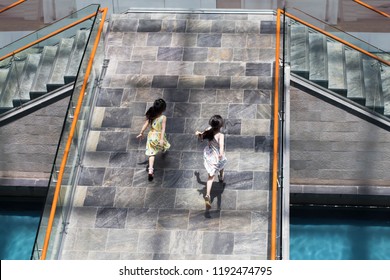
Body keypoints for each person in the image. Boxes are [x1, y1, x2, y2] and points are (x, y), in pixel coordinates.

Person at [195, 115, 227, 209]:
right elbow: (221, 147)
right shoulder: (220, 135)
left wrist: (199, 134)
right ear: (220, 126)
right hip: (217, 156)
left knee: (210, 177)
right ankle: (221, 177)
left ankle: (208, 195)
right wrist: (221, 154)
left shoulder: (209, 130)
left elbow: (201, 137)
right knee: (221, 165)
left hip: (209, 155)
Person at [137, 98, 170, 181]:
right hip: (158, 136)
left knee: (151, 154)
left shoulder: (151, 114)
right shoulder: (163, 117)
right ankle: (163, 149)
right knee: (164, 145)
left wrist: (141, 132)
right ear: (163, 109)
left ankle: (150, 169)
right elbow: (163, 129)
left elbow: (146, 124)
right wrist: (161, 139)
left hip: (151, 136)